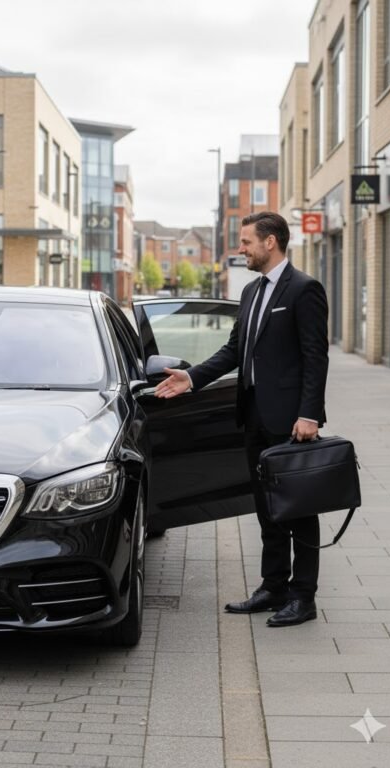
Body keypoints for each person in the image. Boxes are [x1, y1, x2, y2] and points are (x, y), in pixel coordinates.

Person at [153, 212, 329, 627]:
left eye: (247, 241)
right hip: (252, 416)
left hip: (290, 422)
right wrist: (192, 377)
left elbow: (315, 357)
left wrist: (309, 414)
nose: (241, 249)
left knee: (299, 509)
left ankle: (303, 597)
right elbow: (235, 350)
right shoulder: (251, 292)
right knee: (266, 508)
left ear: (271, 242)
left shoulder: (304, 289)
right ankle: (273, 587)